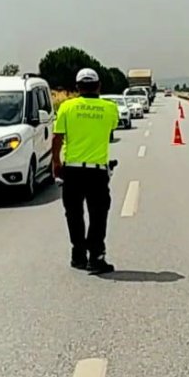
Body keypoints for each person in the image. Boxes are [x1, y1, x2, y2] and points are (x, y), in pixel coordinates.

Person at [51, 68, 118, 274]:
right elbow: (110, 131)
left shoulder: (66, 107)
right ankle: (96, 256)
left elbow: (57, 138)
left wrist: (56, 163)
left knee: (74, 213)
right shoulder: (110, 108)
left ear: (77, 87)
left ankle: (78, 254)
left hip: (72, 171)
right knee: (98, 214)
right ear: (99, 86)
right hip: (96, 172)